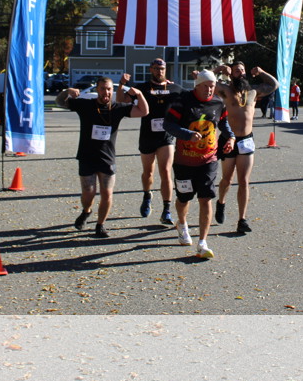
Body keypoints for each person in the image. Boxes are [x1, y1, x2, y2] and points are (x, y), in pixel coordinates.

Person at [57, 77, 148, 238]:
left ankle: (100, 225)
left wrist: (139, 95)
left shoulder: (118, 108)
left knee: (107, 193)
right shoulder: (86, 105)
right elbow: (60, 102)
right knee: (88, 193)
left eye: (109, 89)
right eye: (102, 89)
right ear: (97, 90)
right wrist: (67, 92)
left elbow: (144, 111)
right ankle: (86, 211)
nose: (106, 92)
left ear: (112, 91)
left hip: (107, 158)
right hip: (87, 156)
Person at [163, 70, 235, 259]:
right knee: (184, 199)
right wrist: (187, 134)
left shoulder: (218, 102)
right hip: (184, 161)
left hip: (208, 160)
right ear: (197, 85)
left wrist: (231, 137)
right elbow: (168, 125)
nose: (210, 90)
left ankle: (203, 242)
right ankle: (182, 223)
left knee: (205, 199)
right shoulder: (182, 101)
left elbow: (223, 123)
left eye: (212, 86)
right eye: (206, 86)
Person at [212, 61, 279, 234]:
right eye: (236, 70)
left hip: (246, 140)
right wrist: (219, 69)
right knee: (227, 179)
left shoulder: (253, 91)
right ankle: (221, 203)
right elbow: (206, 81)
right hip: (229, 139)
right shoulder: (225, 90)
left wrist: (261, 71)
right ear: (231, 73)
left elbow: (274, 85)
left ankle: (242, 219)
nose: (240, 73)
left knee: (244, 181)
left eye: (242, 70)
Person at [117, 58, 184, 225]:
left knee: (166, 171)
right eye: (156, 68)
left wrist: (197, 80)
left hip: (166, 136)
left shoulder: (175, 88)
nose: (159, 71)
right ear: (150, 70)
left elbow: (193, 98)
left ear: (165, 70)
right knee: (148, 172)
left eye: (162, 68)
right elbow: (121, 100)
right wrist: (121, 84)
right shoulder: (142, 87)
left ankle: (166, 210)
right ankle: (147, 195)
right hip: (147, 135)